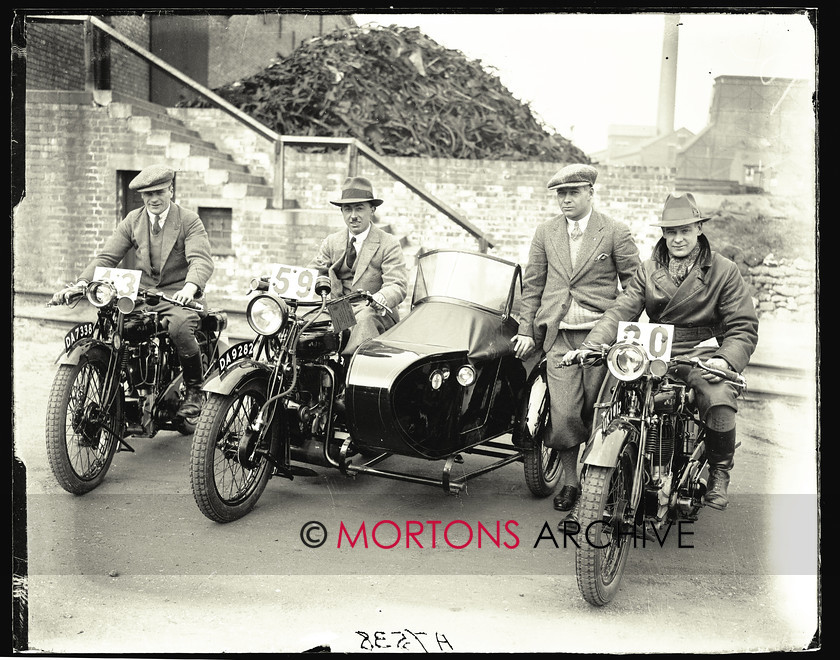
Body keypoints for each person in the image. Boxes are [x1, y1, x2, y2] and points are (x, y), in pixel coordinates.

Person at [563, 191, 759, 510]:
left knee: (719, 398)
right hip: (655, 354)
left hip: (702, 354)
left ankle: (720, 472)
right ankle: (596, 487)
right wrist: (592, 345)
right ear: (664, 235)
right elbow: (621, 310)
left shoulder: (724, 271)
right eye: (671, 232)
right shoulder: (648, 268)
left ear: (698, 229)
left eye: (684, 231)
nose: (678, 239)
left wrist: (724, 360)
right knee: (611, 396)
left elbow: (742, 326)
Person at [512, 163, 641, 513]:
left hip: (600, 341)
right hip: (559, 337)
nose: (566, 200)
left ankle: (595, 481)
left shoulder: (615, 232)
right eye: (561, 194)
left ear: (590, 193)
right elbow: (534, 284)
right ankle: (571, 483)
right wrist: (526, 330)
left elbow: (635, 289)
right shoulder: (546, 232)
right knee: (565, 412)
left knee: (596, 412)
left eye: (573, 193)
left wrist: (625, 332)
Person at [50, 164, 215, 418]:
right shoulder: (133, 220)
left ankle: (194, 388)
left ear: (170, 190)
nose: (154, 199)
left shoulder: (188, 220)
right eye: (148, 195)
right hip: (143, 294)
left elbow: (200, 260)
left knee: (180, 328)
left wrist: (190, 288)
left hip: (177, 295)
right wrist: (81, 284)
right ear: (142, 196)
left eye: (159, 192)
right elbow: (107, 257)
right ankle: (123, 387)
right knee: (114, 324)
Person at [308, 176, 408, 357]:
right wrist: (276, 283)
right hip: (342, 310)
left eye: (359, 208)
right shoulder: (332, 242)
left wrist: (381, 298)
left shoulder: (388, 243)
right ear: (342, 212)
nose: (353, 216)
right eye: (347, 209)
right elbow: (312, 272)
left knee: (364, 319)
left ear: (372, 209)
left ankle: (351, 371)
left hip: (376, 311)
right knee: (305, 327)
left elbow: (398, 285)